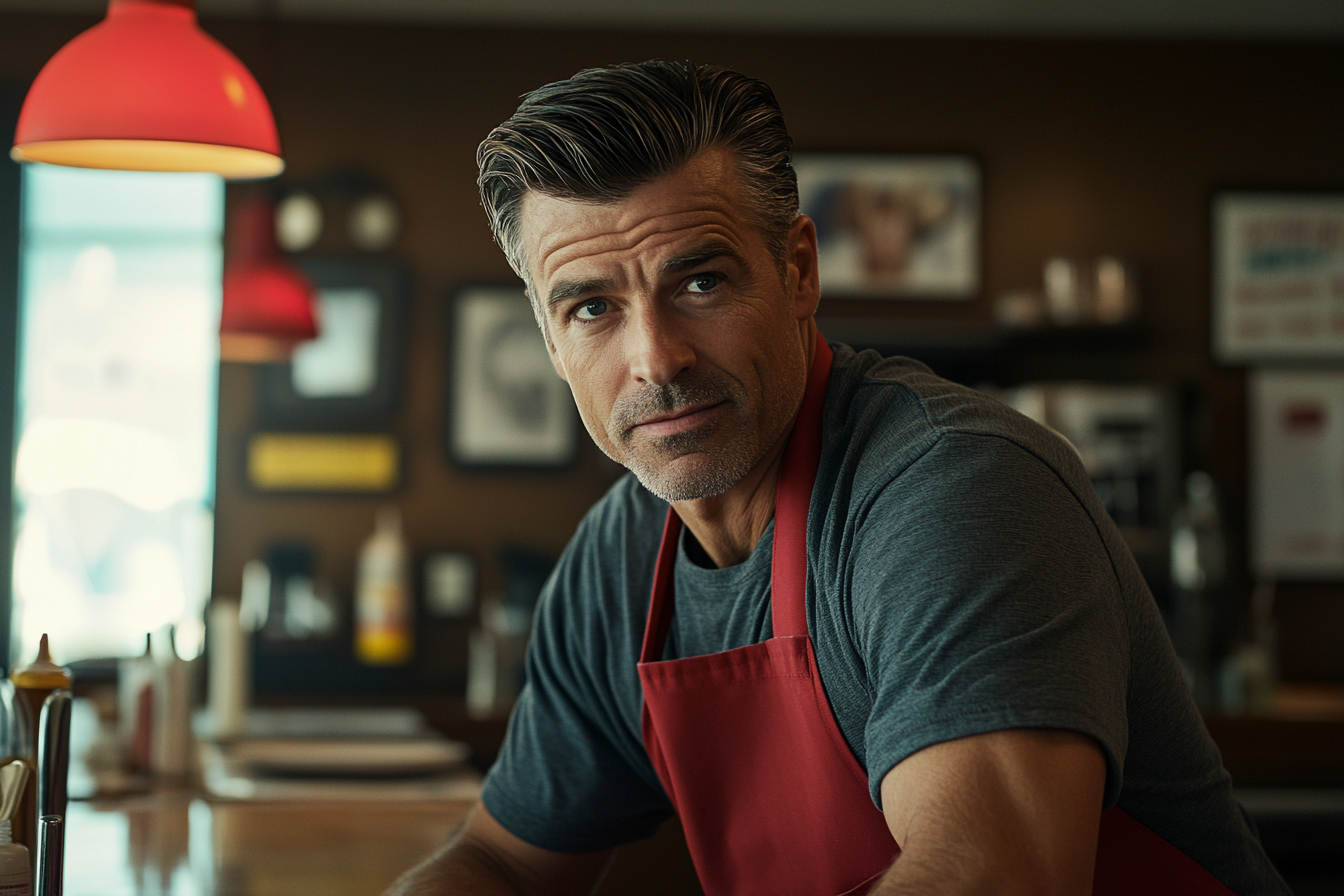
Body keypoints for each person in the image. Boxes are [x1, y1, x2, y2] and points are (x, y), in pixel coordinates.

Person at [387, 60, 1288, 896]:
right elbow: (498, 860)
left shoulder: (955, 489)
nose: (655, 358)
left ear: (799, 268)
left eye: (699, 283)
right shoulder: (619, 563)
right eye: (592, 307)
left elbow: (991, 874)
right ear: (551, 341)